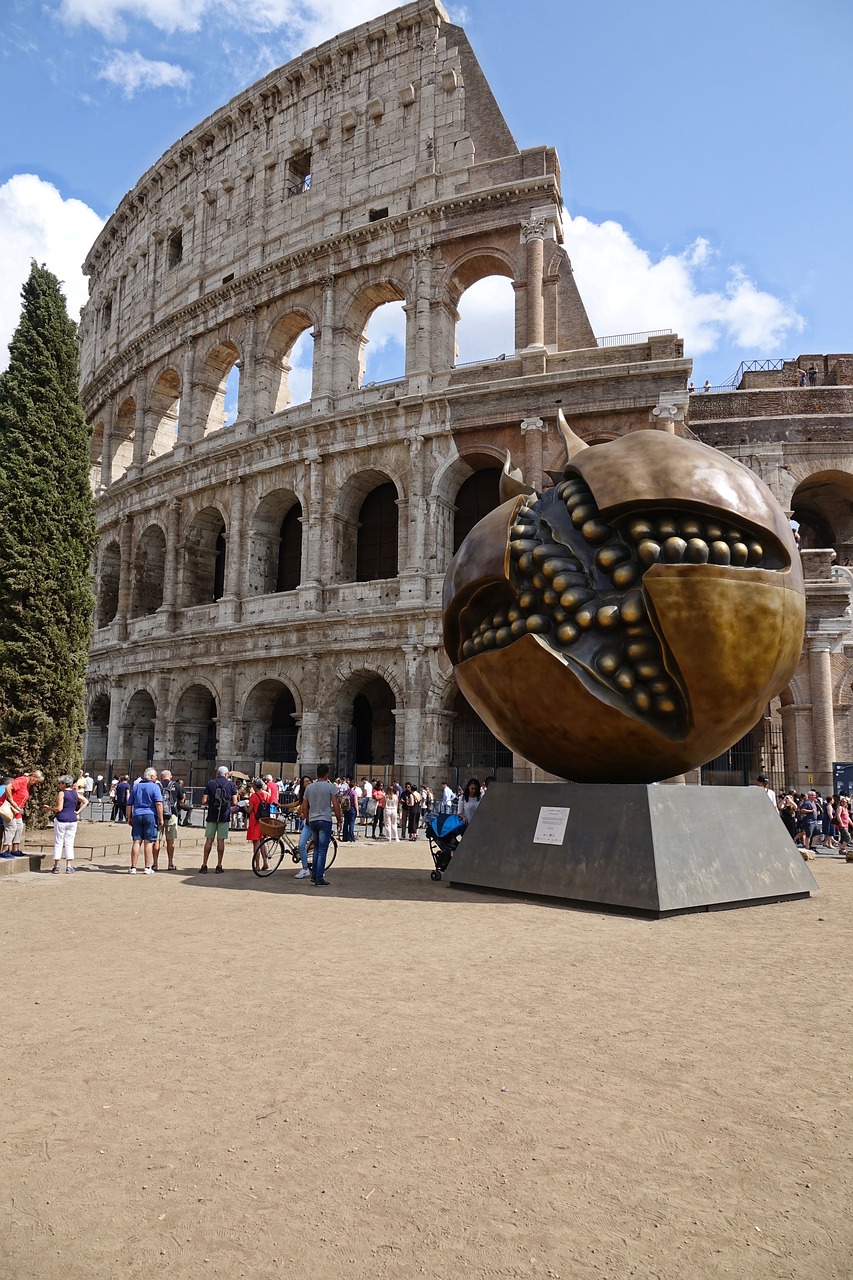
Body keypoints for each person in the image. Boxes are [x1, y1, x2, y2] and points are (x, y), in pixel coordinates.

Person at [300, 764, 341, 887]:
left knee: (317, 847)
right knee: (322, 849)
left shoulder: (309, 788)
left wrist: (307, 818)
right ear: (326, 774)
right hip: (325, 820)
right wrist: (339, 819)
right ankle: (318, 876)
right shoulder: (330, 787)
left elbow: (304, 806)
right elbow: (336, 805)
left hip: (313, 820)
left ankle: (314, 874)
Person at [44, 774, 87, 873]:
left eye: (60, 783)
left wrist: (49, 809)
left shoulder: (62, 793)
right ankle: (69, 866)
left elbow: (59, 808)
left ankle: (56, 866)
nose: (59, 784)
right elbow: (85, 801)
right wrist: (78, 812)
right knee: (69, 842)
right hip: (72, 819)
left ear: (64, 784)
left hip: (61, 819)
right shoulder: (75, 793)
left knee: (59, 842)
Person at [199, 765, 239, 873]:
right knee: (220, 840)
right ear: (226, 774)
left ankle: (204, 865)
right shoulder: (231, 784)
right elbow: (235, 802)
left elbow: (203, 801)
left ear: (218, 773)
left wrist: (211, 803)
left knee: (209, 840)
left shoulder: (210, 783)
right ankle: (219, 865)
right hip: (224, 815)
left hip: (212, 814)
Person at [127, 767, 163, 874]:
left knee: (136, 841)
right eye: (155, 775)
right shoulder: (155, 787)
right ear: (151, 777)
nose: (156, 777)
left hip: (137, 814)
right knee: (148, 841)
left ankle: (133, 867)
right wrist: (161, 818)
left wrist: (129, 817)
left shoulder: (136, 787)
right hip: (150, 815)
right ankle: (147, 867)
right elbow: (158, 803)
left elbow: (129, 804)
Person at [2, 768, 45, 857]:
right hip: (8, 807)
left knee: (19, 827)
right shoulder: (22, 780)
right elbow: (8, 787)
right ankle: (4, 850)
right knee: (12, 827)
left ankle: (15, 849)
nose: (37, 783)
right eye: (37, 781)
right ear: (33, 777)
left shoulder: (27, 784)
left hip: (16, 810)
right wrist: (11, 800)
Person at [152, 769, 180, 871]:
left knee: (157, 840)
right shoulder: (176, 785)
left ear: (160, 777)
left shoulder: (156, 786)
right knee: (170, 840)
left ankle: (155, 864)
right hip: (171, 814)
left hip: (158, 815)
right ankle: (170, 863)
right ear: (170, 777)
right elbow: (181, 799)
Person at [247, 777, 272, 870]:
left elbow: (250, 810)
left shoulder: (253, 796)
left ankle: (257, 865)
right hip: (264, 820)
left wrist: (245, 807)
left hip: (255, 820)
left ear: (255, 786)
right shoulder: (267, 795)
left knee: (256, 844)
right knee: (263, 842)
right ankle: (265, 862)